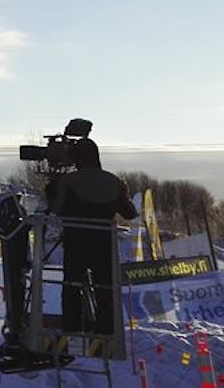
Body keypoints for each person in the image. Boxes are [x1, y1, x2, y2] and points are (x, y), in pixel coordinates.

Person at [46, 119, 138, 336]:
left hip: (76, 242)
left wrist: (52, 186)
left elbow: (55, 208)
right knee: (105, 289)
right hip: (104, 243)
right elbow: (130, 213)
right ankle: (107, 331)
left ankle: (73, 329)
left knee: (72, 287)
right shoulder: (114, 181)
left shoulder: (69, 181)